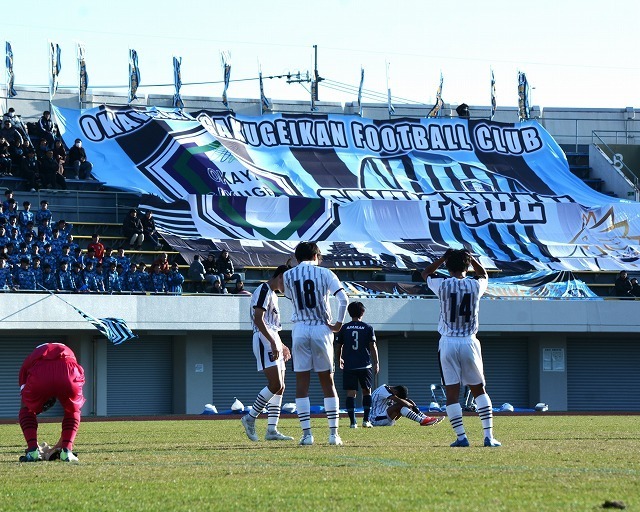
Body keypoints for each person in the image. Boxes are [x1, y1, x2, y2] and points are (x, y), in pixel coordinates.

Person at [422, 248, 501, 447]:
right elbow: (483, 274)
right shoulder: (475, 285)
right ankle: (488, 437)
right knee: (479, 390)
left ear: (448, 266)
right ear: (467, 266)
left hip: (448, 341)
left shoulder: (442, 284)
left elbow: (425, 273)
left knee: (452, 393)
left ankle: (461, 437)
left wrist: (443, 258)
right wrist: (471, 258)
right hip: (469, 340)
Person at [282, 241, 349, 446]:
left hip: (300, 328)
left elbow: (289, 296)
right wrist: (338, 324)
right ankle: (333, 435)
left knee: (302, 384)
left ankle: (307, 435)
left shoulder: (288, 275)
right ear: (316, 256)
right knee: (327, 382)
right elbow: (344, 299)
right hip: (322, 328)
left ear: (297, 257)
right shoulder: (326, 273)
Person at [241, 265, 294, 442]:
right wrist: (272, 341)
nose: (287, 286)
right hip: (263, 339)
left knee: (281, 386)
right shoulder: (264, 289)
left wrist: (281, 343)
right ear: (280, 276)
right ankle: (250, 418)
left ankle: (272, 429)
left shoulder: (272, 293)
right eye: (286, 281)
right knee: (275, 382)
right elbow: (258, 318)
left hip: (272, 338)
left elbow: (271, 325)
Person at [18, 343, 85, 462]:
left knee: (26, 408)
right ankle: (67, 452)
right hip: (69, 368)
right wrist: (60, 447)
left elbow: (24, 401)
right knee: (73, 410)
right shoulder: (67, 351)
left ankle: (33, 451)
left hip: (41, 369)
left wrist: (37, 446)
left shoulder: (30, 359)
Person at [335, 301, 379, 428]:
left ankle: (353, 422)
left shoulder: (344, 328)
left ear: (349, 313)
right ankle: (366, 420)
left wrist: (338, 360)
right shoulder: (368, 327)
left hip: (349, 365)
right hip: (365, 365)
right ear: (362, 312)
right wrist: (376, 362)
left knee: (351, 393)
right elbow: (373, 346)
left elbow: (338, 346)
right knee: (367, 391)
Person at [368, 384, 443, 427]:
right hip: (375, 420)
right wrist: (410, 406)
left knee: (407, 401)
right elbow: (401, 402)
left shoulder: (390, 391)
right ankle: (422, 421)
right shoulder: (383, 390)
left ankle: (427, 418)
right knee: (401, 404)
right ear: (395, 392)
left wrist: (408, 406)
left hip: (383, 418)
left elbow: (396, 417)